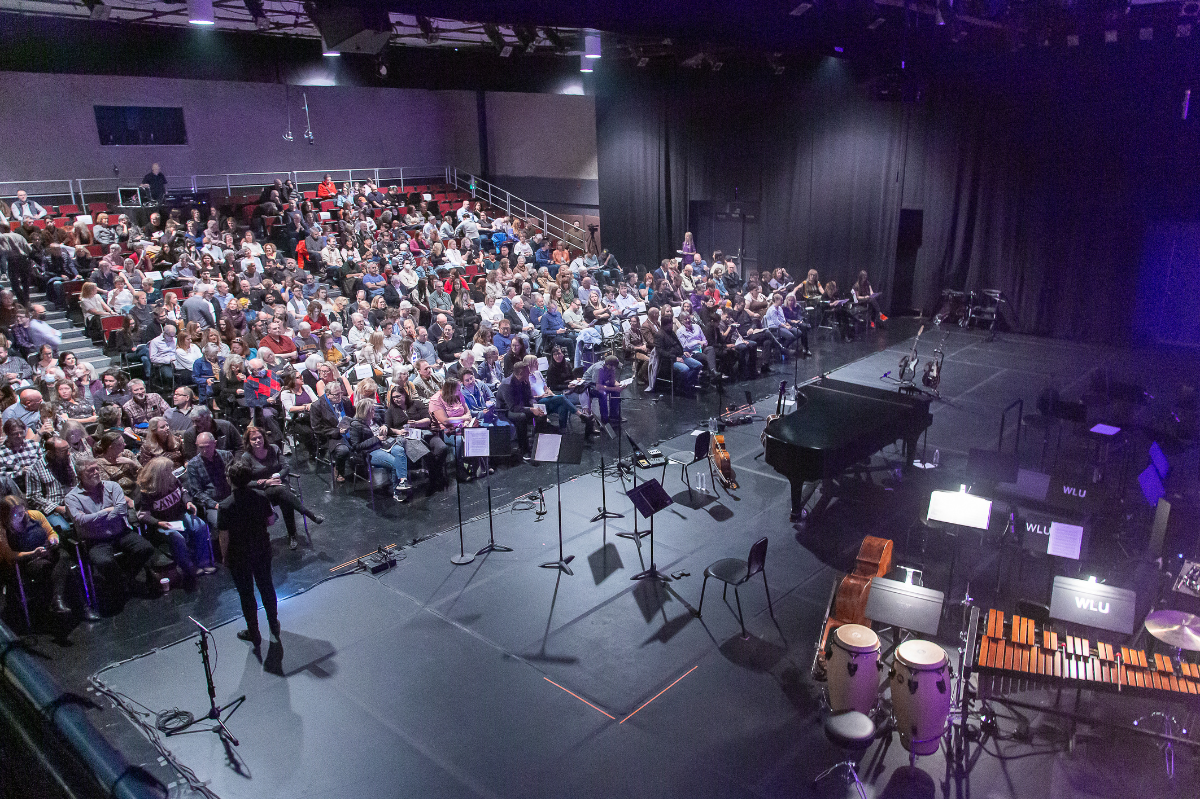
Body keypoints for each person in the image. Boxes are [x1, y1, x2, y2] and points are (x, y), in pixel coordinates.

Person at [65, 458, 157, 598]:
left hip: (120, 532)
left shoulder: (112, 486)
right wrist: (106, 511)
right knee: (104, 561)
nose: (96, 472)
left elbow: (120, 509)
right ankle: (125, 582)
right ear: (80, 475)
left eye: (97, 468)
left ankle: (124, 580)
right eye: (91, 470)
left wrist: (95, 518)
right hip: (96, 540)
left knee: (146, 548)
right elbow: (80, 520)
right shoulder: (72, 497)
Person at [218, 459, 280, 647]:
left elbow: (224, 537)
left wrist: (224, 557)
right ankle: (273, 624)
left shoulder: (226, 506)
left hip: (239, 555)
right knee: (266, 587)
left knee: (246, 594)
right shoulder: (261, 497)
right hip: (261, 549)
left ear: (230, 479)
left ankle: (254, 632)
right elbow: (271, 521)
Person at [134, 457, 213, 590]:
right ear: (160, 473)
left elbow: (183, 492)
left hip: (179, 515)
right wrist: (159, 522)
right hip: (162, 525)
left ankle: (203, 563)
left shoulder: (172, 479)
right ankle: (189, 568)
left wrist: (188, 501)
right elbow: (142, 515)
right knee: (178, 538)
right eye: (168, 470)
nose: (171, 471)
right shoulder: (145, 492)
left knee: (200, 526)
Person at [239, 425, 323, 549]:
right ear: (248, 442)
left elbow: (286, 467)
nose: (257, 441)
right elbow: (245, 482)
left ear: (264, 438)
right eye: (253, 439)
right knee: (283, 491)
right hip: (262, 492)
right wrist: (266, 482)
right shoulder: (246, 457)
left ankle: (293, 534)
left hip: (280, 485)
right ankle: (308, 515)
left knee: (284, 497)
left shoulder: (274, 449)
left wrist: (278, 475)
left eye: (259, 437)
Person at [0, 494, 81, 618]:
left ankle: (57, 602)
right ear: (6, 515)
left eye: (22, 511)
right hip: (27, 561)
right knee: (58, 569)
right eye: (16, 514)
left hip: (47, 551)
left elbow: (51, 533)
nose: (22, 516)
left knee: (63, 556)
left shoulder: (35, 515)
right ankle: (81, 608)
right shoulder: (2, 528)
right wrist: (33, 553)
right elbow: (10, 555)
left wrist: (53, 540)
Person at [342, 399, 410, 502]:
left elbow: (385, 424)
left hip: (386, 444)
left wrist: (385, 426)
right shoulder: (355, 425)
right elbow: (356, 446)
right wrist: (376, 439)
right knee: (395, 462)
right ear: (365, 412)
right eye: (371, 410)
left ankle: (403, 481)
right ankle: (397, 492)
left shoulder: (376, 418)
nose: (374, 412)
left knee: (399, 450)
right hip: (371, 451)